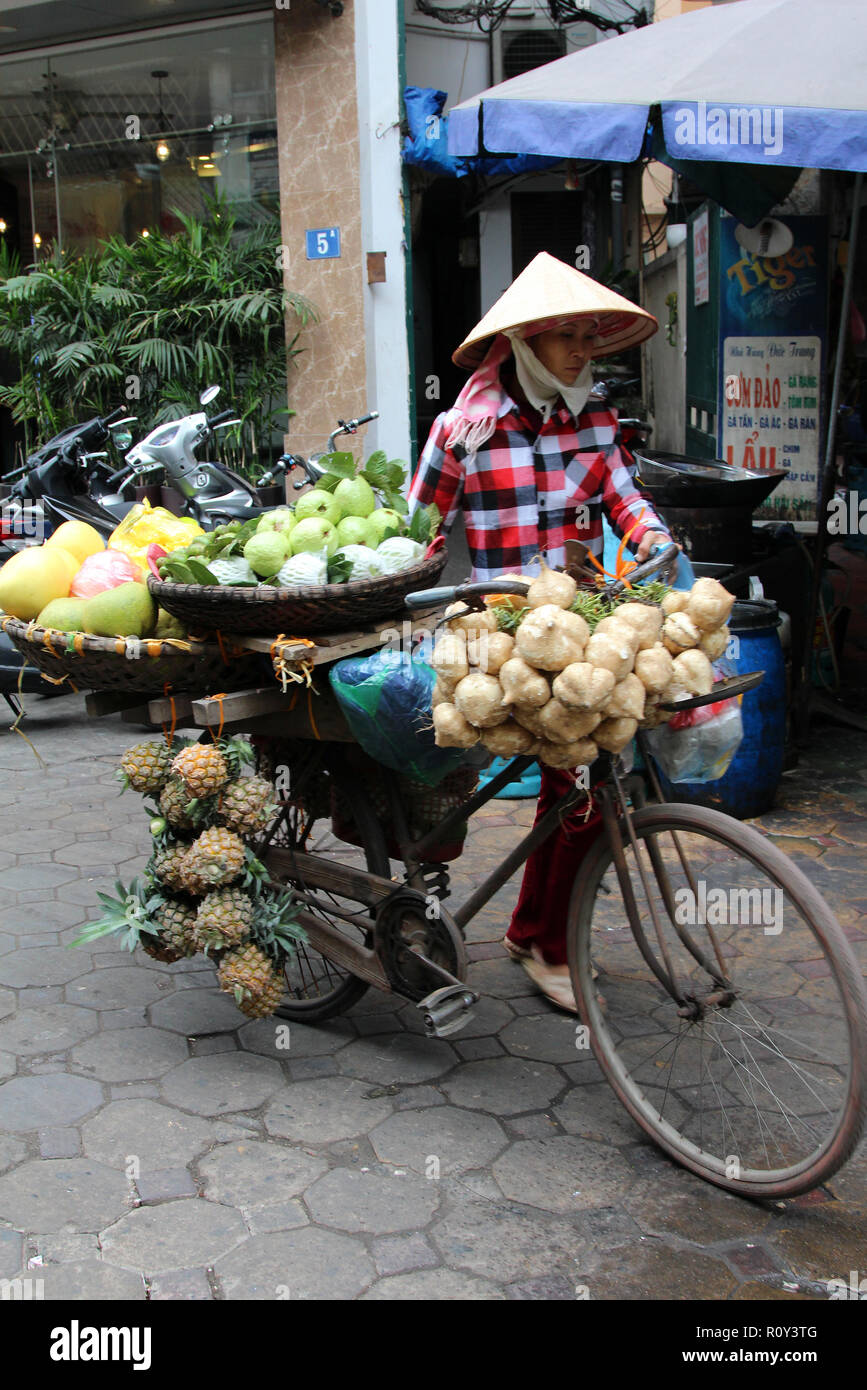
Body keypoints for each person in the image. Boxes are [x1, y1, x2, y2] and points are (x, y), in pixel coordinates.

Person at [408, 252, 672, 1012]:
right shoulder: (462, 428)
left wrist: (653, 539)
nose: (582, 349)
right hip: (508, 640)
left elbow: (625, 498)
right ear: (523, 341)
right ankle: (547, 945)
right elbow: (418, 535)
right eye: (566, 336)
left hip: (582, 627)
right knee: (578, 777)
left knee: (579, 777)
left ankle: (533, 931)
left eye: (589, 335)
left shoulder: (594, 418)